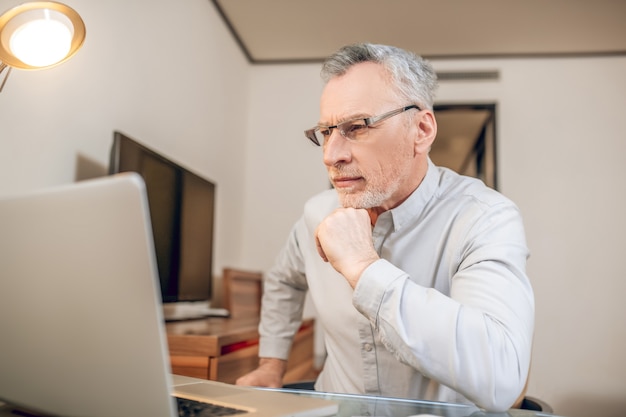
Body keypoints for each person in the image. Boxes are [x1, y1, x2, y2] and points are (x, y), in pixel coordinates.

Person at [236, 43, 534, 412]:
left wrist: (364, 268)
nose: (331, 155)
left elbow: (501, 377)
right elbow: (284, 280)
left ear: (421, 130)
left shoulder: (485, 217)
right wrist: (271, 364)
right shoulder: (316, 213)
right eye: (326, 132)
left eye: (356, 127)